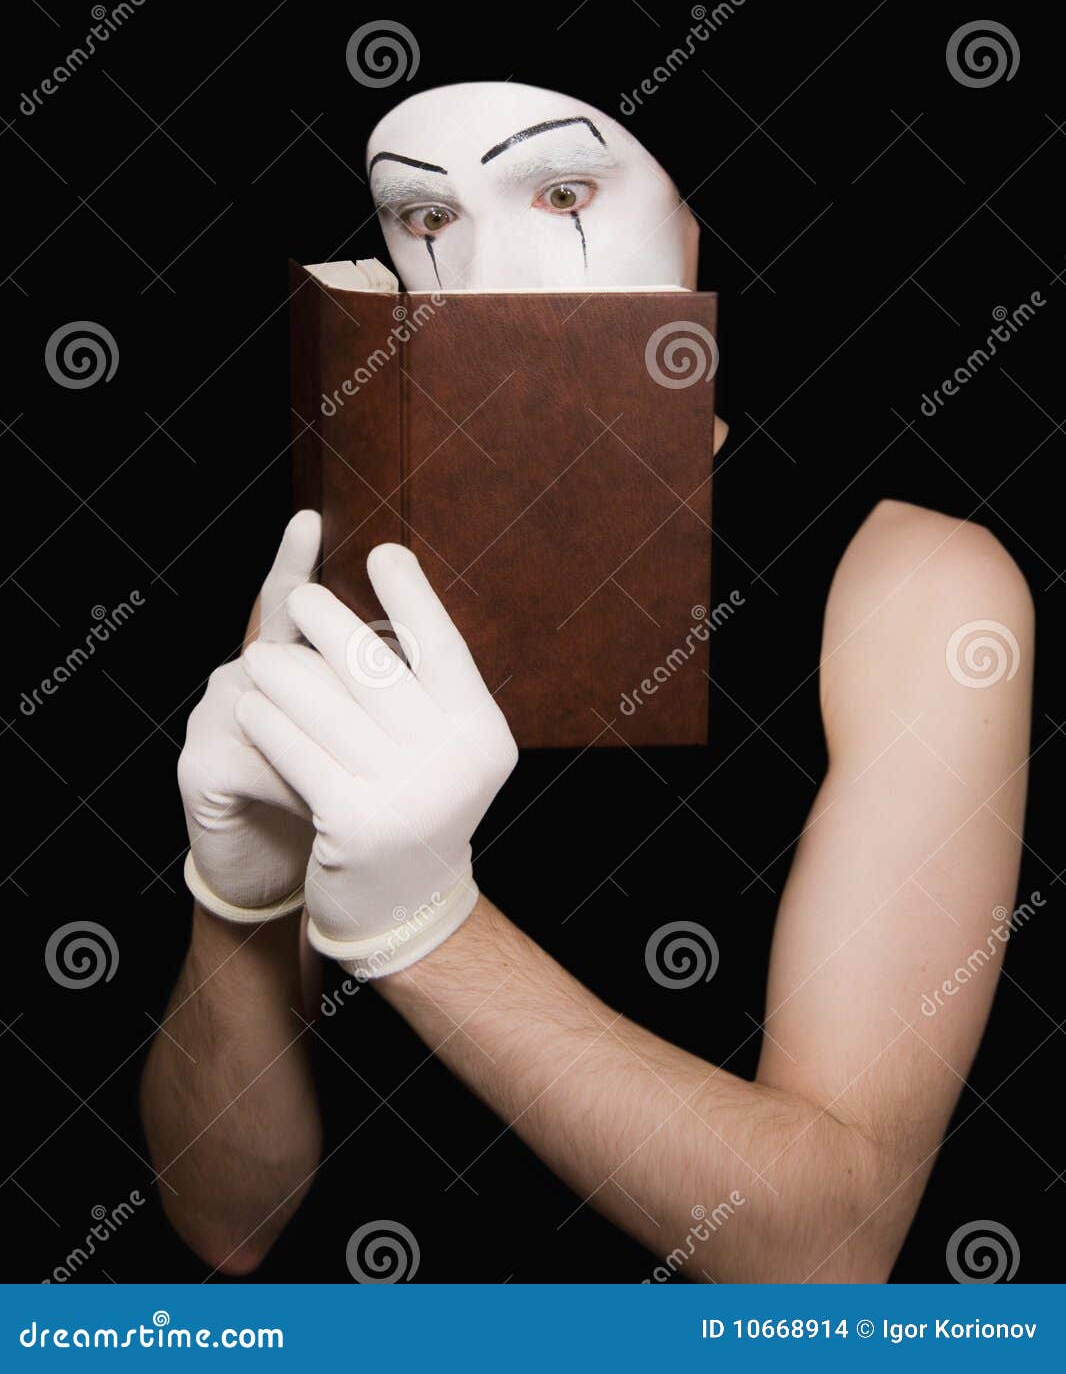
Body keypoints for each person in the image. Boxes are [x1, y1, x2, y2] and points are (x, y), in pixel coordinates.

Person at [141, 85, 1034, 1282]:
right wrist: (235, 904)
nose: (481, 276)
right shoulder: (330, 586)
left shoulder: (914, 589)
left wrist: (427, 928)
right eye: (421, 213)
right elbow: (226, 1224)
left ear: (694, 223)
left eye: (561, 192)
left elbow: (827, 1247)